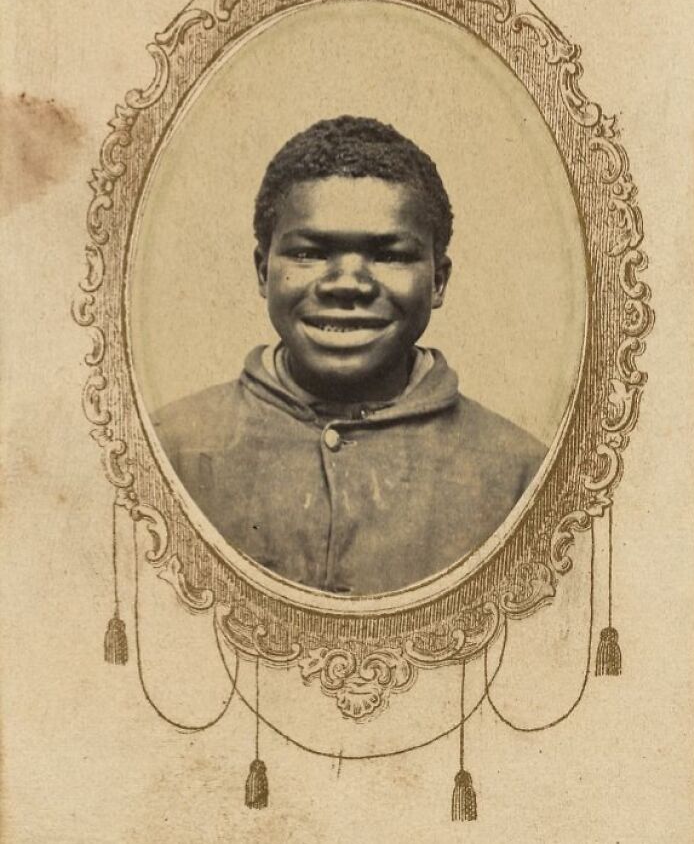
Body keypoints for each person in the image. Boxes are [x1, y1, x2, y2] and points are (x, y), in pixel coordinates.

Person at [152, 116, 545, 595]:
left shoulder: (526, 477)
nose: (348, 284)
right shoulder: (164, 451)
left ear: (438, 281)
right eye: (311, 253)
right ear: (262, 271)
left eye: (389, 255)